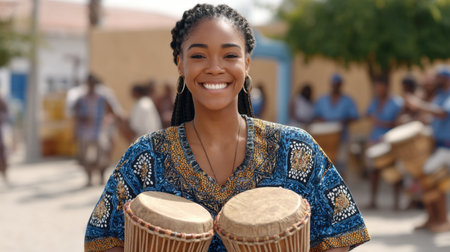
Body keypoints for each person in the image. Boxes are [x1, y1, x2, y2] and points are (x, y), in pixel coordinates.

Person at [84, 4, 369, 252]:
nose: (215, 68)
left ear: (246, 64)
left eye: (230, 55)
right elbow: (102, 236)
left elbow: (339, 231)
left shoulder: (296, 150)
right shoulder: (145, 157)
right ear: (180, 64)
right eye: (198, 56)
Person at [411, 68, 450, 232]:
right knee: (423, 175)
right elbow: (431, 116)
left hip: (447, 149)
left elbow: (442, 113)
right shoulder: (439, 96)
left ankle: (442, 219)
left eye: (439, 78)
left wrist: (419, 104)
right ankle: (432, 218)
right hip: (438, 147)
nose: (436, 80)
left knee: (428, 172)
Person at [73, 74, 121, 186]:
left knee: (102, 156)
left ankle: (101, 177)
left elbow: (112, 111)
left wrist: (108, 121)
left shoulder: (102, 98)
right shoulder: (81, 99)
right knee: (85, 157)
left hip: (100, 132)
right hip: (85, 133)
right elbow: (75, 114)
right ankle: (89, 179)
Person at [365, 77, 404, 210]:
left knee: (393, 171)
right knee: (373, 171)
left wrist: (381, 123)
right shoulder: (375, 101)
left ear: (386, 87)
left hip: (390, 142)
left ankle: (396, 202)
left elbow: (398, 123)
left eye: (380, 87)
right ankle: (373, 200)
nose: (377, 90)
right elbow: (368, 114)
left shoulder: (397, 102)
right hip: (374, 140)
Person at [314, 74, 359, 176]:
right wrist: (325, 121)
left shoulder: (348, 100)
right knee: (325, 165)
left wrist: (343, 121)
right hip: (325, 139)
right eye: (334, 84)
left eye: (337, 84)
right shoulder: (322, 99)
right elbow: (315, 114)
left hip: (342, 137)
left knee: (341, 165)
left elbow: (355, 116)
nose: (335, 86)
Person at [0, 96, 8, 181]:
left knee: (3, 153)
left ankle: (4, 172)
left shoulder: (2, 101)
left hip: (1, 131)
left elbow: (6, 114)